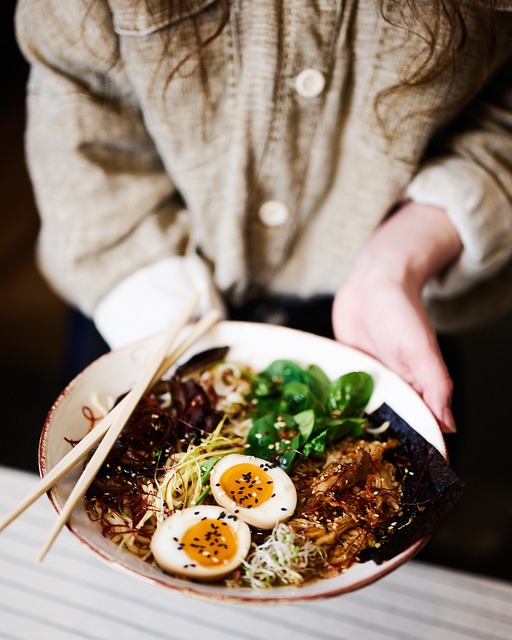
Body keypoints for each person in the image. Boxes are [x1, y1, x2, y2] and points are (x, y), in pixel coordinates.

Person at [14, 1, 512, 435]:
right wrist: (161, 318)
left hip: (389, 310)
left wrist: (400, 258)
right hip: (143, 293)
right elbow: (75, 92)